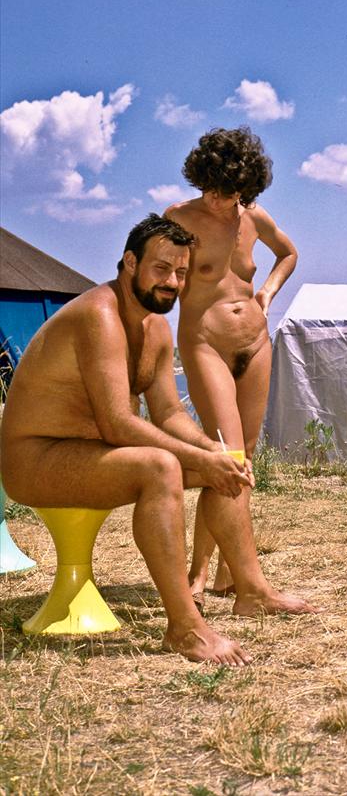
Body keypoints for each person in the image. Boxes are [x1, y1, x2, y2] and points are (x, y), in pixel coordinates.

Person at [0, 215, 316, 665]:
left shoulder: (155, 328)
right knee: (160, 466)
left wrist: (212, 452)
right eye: (162, 268)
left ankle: (252, 590)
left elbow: (168, 412)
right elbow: (118, 423)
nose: (172, 282)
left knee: (226, 457)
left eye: (181, 273)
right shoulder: (99, 315)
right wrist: (197, 457)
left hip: (92, 451)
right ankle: (185, 628)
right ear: (130, 262)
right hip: (35, 459)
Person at [165, 127, 298, 605]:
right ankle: (200, 575)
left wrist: (266, 293)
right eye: (211, 189)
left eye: (228, 192)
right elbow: (156, 273)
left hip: (256, 342)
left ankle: (227, 572)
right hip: (206, 344)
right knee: (227, 457)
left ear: (245, 187)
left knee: (245, 456)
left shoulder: (254, 217)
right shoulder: (179, 218)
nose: (218, 199)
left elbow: (288, 254)